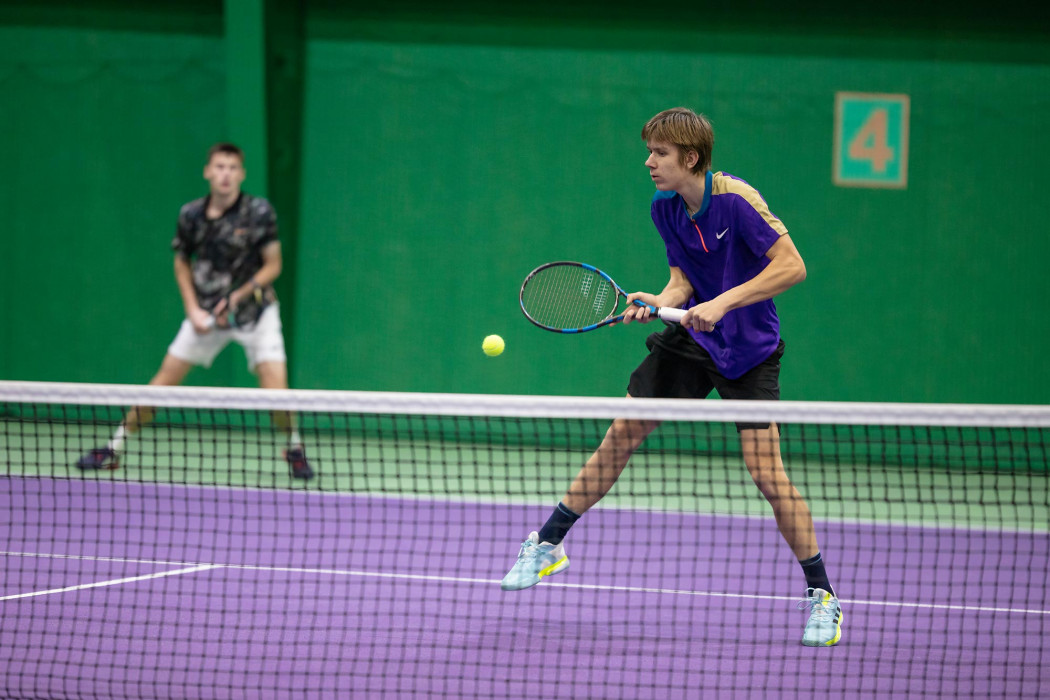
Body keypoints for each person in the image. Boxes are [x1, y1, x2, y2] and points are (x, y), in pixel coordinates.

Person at [500, 108, 842, 647]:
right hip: (691, 339)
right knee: (622, 433)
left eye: (659, 153)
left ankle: (823, 597)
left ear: (691, 157)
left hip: (748, 348)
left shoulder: (736, 200)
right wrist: (661, 300)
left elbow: (792, 266)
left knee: (766, 473)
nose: (649, 162)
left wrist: (723, 303)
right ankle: (548, 543)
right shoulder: (665, 208)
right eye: (649, 152)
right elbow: (682, 280)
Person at [76, 142, 313, 480]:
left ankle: (294, 447)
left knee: (278, 394)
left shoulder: (259, 212)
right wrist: (192, 309)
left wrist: (237, 297)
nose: (225, 174)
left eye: (232, 167)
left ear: (242, 174)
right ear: (207, 172)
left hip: (256, 314)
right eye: (219, 167)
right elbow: (181, 262)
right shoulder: (190, 215)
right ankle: (114, 448)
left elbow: (273, 265)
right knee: (161, 384)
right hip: (206, 315)